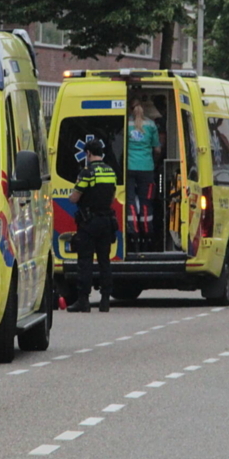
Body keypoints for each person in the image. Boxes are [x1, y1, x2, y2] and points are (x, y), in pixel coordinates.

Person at [67, 139, 119, 313]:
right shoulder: (110, 171)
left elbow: (75, 197)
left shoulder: (87, 172)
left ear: (88, 153)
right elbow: (112, 197)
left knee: (85, 261)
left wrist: (71, 196)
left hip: (89, 223)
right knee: (105, 261)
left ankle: (84, 301)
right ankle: (105, 301)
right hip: (106, 221)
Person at [126, 97, 161, 250]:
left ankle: (133, 238)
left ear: (130, 109)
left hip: (129, 168)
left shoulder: (126, 123)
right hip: (147, 169)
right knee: (146, 205)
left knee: (131, 203)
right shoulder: (151, 125)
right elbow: (157, 149)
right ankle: (147, 238)